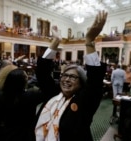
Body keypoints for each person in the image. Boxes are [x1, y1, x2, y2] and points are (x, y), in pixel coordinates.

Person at [35, 10, 108, 141]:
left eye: (73, 77)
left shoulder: (85, 100)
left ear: (81, 83)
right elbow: (42, 71)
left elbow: (95, 80)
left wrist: (89, 40)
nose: (67, 79)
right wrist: (56, 41)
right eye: (65, 75)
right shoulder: (54, 93)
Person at [0, 56, 52, 140]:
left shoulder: (0, 96)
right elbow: (48, 90)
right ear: (22, 81)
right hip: (25, 135)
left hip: (7, 134)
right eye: (26, 77)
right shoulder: (30, 95)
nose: (28, 78)